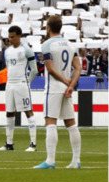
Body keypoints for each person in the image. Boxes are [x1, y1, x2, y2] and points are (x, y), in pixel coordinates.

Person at [34, 15, 82, 169]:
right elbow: (78, 67)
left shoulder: (46, 45)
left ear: (48, 28)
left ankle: (50, 161)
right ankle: (76, 161)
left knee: (50, 122)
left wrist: (65, 82)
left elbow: (50, 69)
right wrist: (71, 85)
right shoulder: (70, 44)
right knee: (71, 124)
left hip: (54, 87)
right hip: (66, 87)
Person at [0, 26, 38, 152]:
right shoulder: (7, 51)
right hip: (10, 84)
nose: (10, 39)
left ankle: (33, 144)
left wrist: (27, 83)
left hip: (21, 84)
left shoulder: (27, 50)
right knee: (9, 112)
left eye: (13, 37)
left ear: (20, 36)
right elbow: (9, 67)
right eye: (9, 37)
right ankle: (9, 144)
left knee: (28, 111)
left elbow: (34, 70)